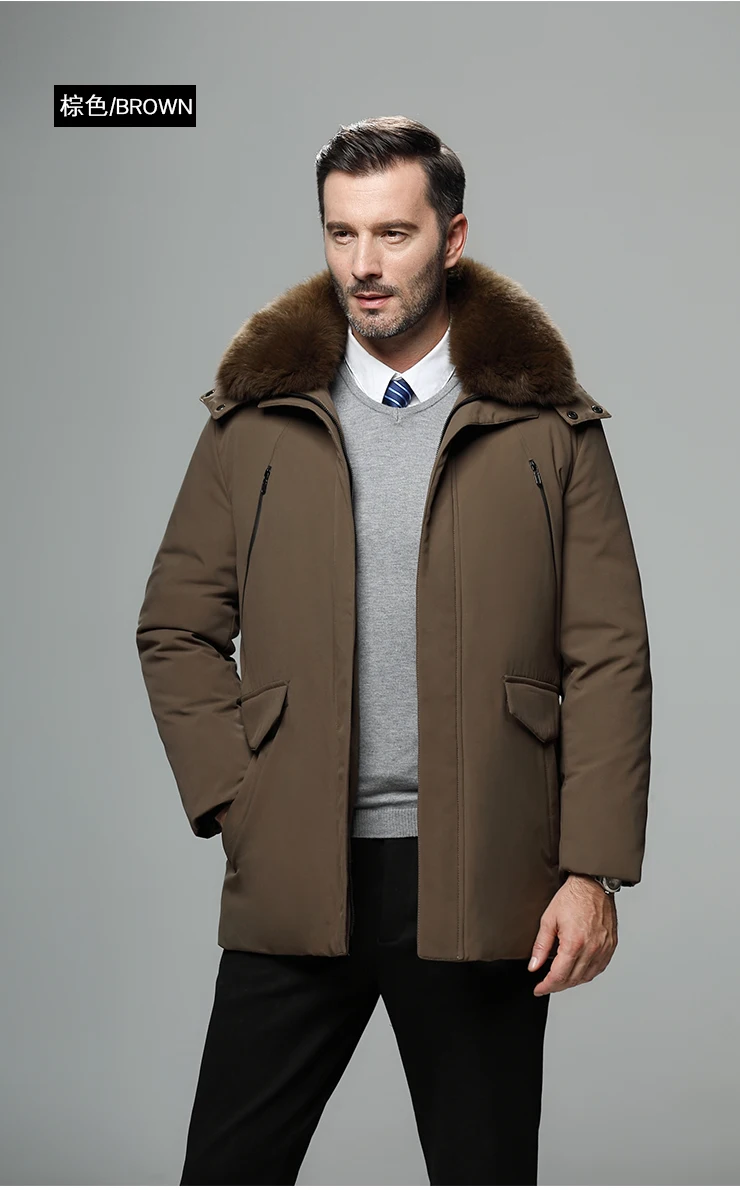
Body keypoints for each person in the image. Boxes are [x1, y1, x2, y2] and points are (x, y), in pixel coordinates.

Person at [136, 115, 652, 1186]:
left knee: (483, 1172)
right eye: (342, 233)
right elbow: (176, 626)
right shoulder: (253, 420)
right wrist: (241, 799)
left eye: (393, 233)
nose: (363, 264)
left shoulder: (547, 425)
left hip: (485, 876)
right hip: (296, 868)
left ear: (451, 239)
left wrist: (591, 868)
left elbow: (608, 655)